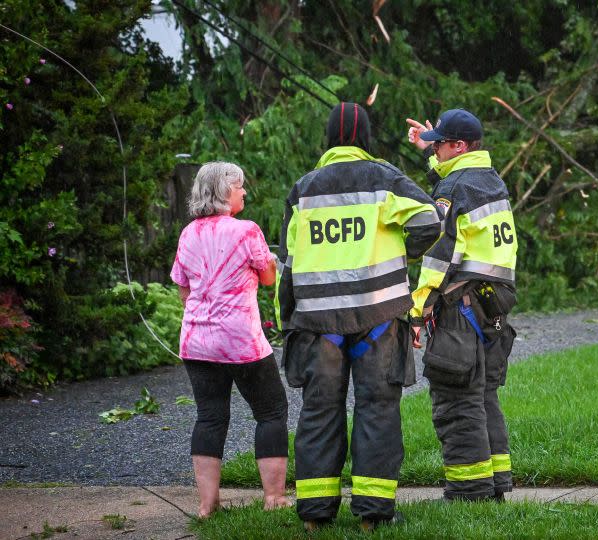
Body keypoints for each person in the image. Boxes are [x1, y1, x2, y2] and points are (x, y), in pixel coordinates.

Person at [277, 102, 442, 530]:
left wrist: (285, 319)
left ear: (329, 137)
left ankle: (315, 516)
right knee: (377, 408)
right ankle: (372, 516)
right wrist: (398, 255)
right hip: (379, 317)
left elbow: (289, 264)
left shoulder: (303, 189)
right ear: (365, 138)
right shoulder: (385, 178)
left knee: (319, 413)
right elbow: (431, 220)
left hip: (316, 325)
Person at [405, 109, 519, 502]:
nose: (434, 148)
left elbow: (438, 259)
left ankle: (469, 492)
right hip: (494, 306)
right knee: (484, 395)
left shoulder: (455, 191)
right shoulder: (490, 180)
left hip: (460, 306)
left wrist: (417, 310)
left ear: (460, 146)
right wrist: (429, 153)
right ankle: (496, 486)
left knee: (456, 399)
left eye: (440, 143)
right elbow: (453, 184)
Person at [170, 161, 290, 518]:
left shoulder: (188, 233)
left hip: (196, 342)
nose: (244, 192)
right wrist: (269, 260)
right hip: (241, 341)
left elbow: (183, 287)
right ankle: (274, 497)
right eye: (239, 187)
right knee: (271, 411)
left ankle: (208, 504)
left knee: (209, 417)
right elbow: (268, 277)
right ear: (224, 192)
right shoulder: (246, 230)